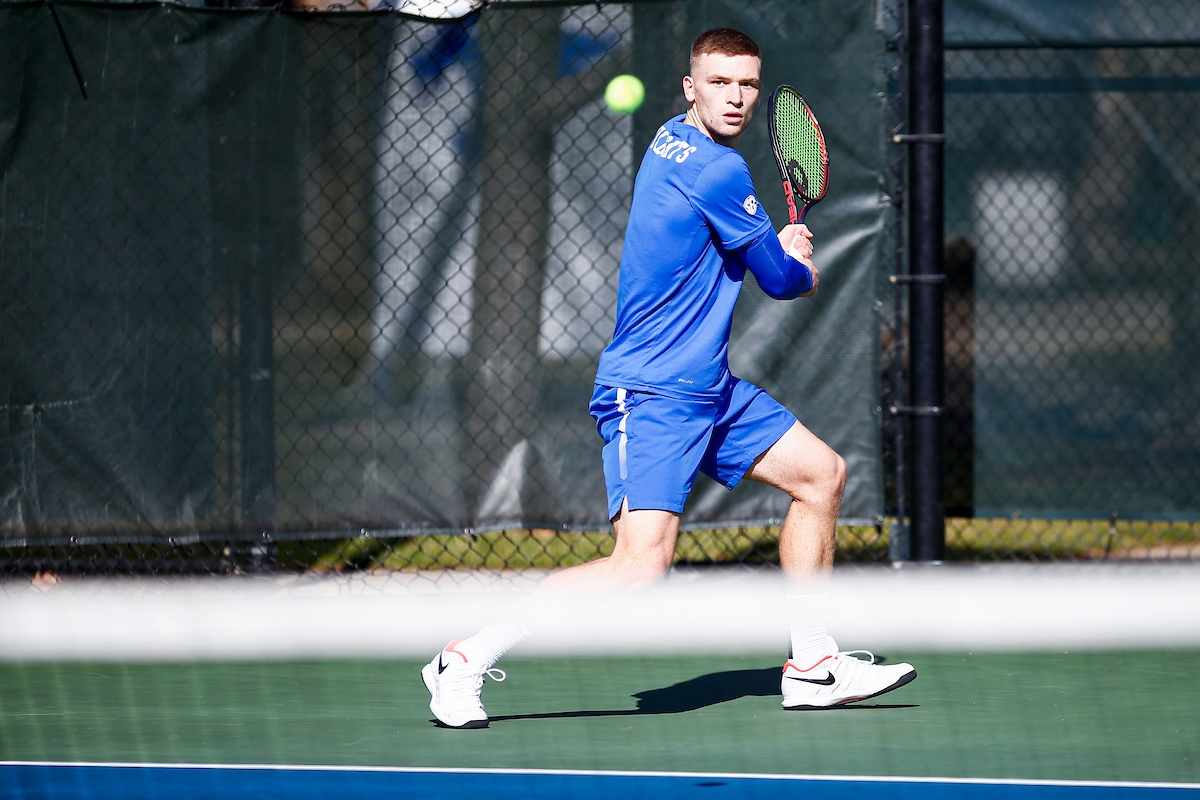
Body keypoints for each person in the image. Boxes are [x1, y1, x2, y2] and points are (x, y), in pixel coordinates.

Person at [422, 27, 916, 728]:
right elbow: (780, 283)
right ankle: (464, 659)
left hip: (708, 387)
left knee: (821, 476)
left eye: (747, 83)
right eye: (720, 83)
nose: (737, 97)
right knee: (639, 565)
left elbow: (722, 250)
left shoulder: (669, 137)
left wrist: (770, 246)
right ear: (692, 87)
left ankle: (812, 665)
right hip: (653, 394)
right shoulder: (717, 171)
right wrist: (795, 258)